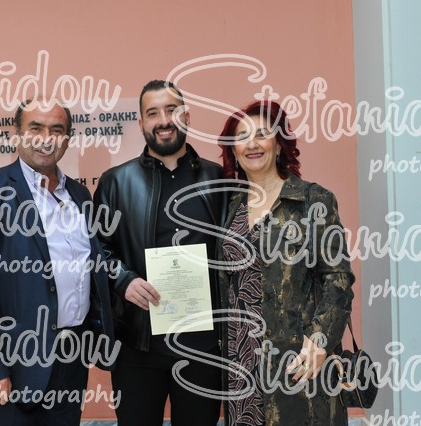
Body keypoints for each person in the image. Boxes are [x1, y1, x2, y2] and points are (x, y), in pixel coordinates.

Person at [0, 100, 115, 426]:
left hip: (71, 362)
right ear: (17, 134)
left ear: (67, 139)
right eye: (35, 128)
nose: (46, 139)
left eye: (56, 130)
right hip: (12, 367)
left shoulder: (79, 196)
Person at [93, 80, 225, 426]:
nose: (164, 120)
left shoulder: (219, 179)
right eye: (153, 113)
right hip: (138, 347)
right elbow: (95, 250)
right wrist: (123, 279)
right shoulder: (115, 182)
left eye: (172, 110)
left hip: (203, 348)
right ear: (141, 123)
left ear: (187, 117)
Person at [217, 100, 355, 426]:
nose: (252, 144)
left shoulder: (312, 200)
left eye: (262, 134)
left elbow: (338, 279)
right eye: (242, 137)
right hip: (241, 366)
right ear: (233, 150)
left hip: (299, 363)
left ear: (279, 144)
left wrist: (320, 340)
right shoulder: (228, 207)